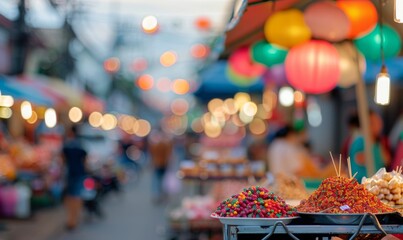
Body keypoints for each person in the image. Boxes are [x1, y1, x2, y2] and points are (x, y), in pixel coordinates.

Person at [349, 110, 392, 182]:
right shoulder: (360, 141)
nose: (379, 125)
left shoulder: (377, 142)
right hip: (361, 184)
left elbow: (387, 160)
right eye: (374, 122)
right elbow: (360, 159)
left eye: (379, 122)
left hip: (376, 185)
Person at [62, 124, 88, 230]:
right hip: (80, 172)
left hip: (70, 172)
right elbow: (85, 160)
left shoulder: (67, 144)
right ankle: (75, 218)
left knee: (70, 196)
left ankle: (70, 219)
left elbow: (63, 159)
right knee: (77, 195)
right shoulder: (81, 144)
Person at [148, 129, 173, 204]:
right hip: (161, 164)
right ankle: (160, 195)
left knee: (157, 180)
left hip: (158, 164)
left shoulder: (156, 144)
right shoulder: (165, 144)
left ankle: (158, 195)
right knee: (160, 180)